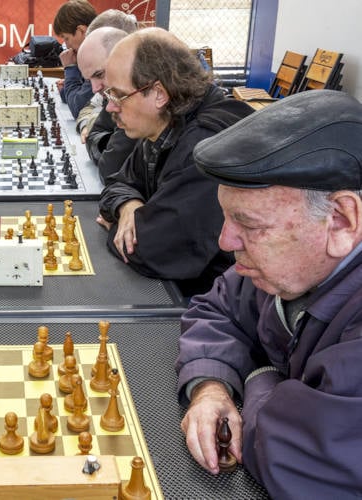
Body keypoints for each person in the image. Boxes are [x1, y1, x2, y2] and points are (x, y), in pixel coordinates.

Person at [176, 89, 362, 498]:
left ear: (342, 220)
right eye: (226, 217)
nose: (225, 241)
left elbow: (298, 459)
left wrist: (261, 375)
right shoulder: (289, 267)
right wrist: (212, 386)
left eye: (250, 224)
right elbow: (216, 305)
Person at [97, 28, 253, 297]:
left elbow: (152, 250)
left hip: (221, 305)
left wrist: (116, 227)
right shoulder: (165, 123)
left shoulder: (207, 148)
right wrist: (128, 205)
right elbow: (117, 181)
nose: (110, 107)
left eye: (118, 96)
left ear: (159, 93)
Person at [75, 26, 136, 183]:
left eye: (99, 74)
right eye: (90, 80)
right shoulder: (114, 98)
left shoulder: (134, 101)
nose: (95, 88)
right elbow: (94, 136)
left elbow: (110, 170)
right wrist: (110, 143)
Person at [52, 0, 97, 119]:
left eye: (66, 38)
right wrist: (67, 87)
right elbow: (73, 96)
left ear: (81, 30)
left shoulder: (99, 56)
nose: (66, 46)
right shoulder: (88, 53)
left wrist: (70, 69)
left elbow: (78, 108)